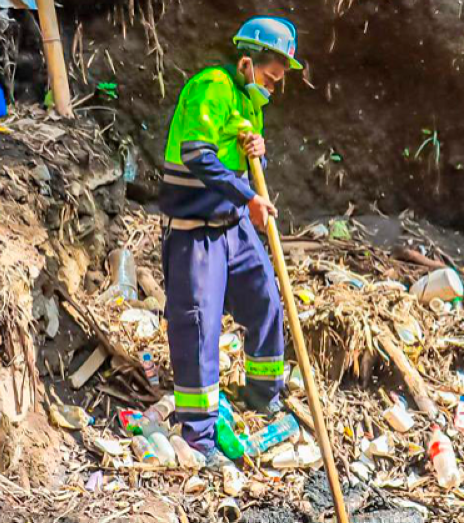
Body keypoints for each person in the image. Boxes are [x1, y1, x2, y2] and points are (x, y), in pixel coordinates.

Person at [159, 16, 303, 466]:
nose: (274, 88)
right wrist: (251, 197)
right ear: (246, 62)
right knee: (199, 322)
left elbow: (236, 152)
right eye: (270, 77)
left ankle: (263, 395)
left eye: (279, 81)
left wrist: (256, 150)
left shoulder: (247, 99)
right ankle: (197, 437)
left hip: (232, 224)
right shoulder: (211, 86)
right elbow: (198, 155)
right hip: (195, 228)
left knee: (264, 298)